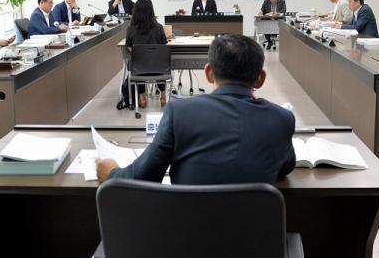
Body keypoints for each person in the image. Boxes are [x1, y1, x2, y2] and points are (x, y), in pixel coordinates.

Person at [97, 34, 296, 185]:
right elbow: (286, 166)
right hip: (253, 230)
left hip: (187, 228)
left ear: (208, 73)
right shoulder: (282, 119)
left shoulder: (179, 112)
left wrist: (112, 173)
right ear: (260, 79)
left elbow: (143, 177)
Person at [124, 0, 168, 109]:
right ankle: (163, 95)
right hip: (158, 69)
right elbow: (164, 46)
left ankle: (142, 97)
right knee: (158, 62)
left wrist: (140, 53)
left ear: (135, 11)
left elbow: (129, 47)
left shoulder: (130, 29)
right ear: (151, 10)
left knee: (139, 63)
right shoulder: (159, 27)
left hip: (139, 69)